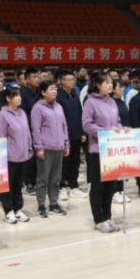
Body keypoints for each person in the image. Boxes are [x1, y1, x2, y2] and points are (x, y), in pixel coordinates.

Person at [82, 71, 125, 233]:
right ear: (98, 84)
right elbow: (87, 125)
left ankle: (108, 216)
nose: (110, 85)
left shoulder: (112, 101)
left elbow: (117, 122)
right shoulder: (90, 102)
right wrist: (107, 130)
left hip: (111, 149)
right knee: (98, 187)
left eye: (111, 82)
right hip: (97, 150)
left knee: (110, 187)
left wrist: (121, 129)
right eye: (106, 82)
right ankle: (98, 219)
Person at [31, 81, 69, 216]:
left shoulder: (59, 107)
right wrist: (39, 148)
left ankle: (54, 204)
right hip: (45, 149)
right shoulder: (38, 108)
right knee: (43, 178)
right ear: (43, 92)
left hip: (59, 148)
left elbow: (64, 126)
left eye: (55, 89)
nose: (54, 91)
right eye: (51, 89)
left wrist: (66, 144)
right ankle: (41, 205)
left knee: (56, 179)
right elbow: (36, 130)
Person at [0, 87, 33, 224]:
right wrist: (3, 156)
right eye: (16, 95)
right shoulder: (3, 115)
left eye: (20, 95)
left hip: (23, 155)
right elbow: (1, 137)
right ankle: (8, 211)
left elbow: (27, 133)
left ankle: (18, 209)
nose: (19, 98)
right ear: (8, 98)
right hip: (10, 157)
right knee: (8, 185)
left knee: (18, 185)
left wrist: (29, 149)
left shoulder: (22, 113)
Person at [56, 69, 86, 200]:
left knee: (75, 162)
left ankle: (74, 185)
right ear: (62, 81)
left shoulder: (75, 94)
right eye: (69, 80)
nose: (73, 82)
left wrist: (82, 131)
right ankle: (61, 186)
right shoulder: (58, 96)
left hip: (76, 133)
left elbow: (80, 114)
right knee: (64, 163)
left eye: (73, 80)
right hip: (64, 135)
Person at [19, 67, 42, 195]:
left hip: (42, 130)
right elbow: (23, 114)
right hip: (29, 130)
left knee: (40, 158)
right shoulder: (23, 95)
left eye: (38, 76)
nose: (37, 79)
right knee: (31, 159)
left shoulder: (41, 93)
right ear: (27, 80)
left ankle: (39, 181)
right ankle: (29, 183)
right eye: (34, 77)